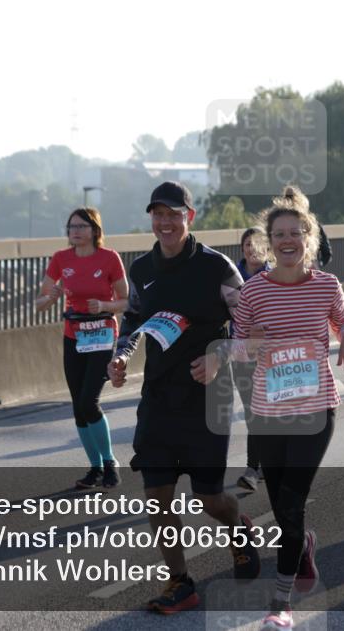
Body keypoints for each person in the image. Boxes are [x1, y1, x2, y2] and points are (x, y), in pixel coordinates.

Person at [107, 181, 260, 613]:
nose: (165, 222)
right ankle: (180, 582)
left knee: (209, 499)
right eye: (158, 214)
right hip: (158, 395)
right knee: (157, 494)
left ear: (189, 217)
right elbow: (134, 319)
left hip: (208, 397)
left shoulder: (217, 268)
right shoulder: (141, 270)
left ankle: (237, 527)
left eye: (174, 214)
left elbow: (254, 329)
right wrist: (120, 358)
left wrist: (219, 356)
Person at [232, 194, 344, 631]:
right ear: (269, 243)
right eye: (279, 235)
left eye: (296, 233)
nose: (288, 241)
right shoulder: (253, 291)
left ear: (310, 237)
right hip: (268, 412)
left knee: (291, 501)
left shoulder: (326, 286)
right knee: (284, 505)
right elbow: (236, 348)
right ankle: (302, 544)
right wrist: (250, 338)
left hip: (317, 408)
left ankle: (280, 602)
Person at [36, 207, 128, 489]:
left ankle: (110, 463)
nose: (74, 231)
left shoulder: (109, 258)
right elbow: (40, 303)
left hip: (102, 335)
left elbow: (126, 301)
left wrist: (104, 306)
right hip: (74, 336)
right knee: (78, 406)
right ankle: (95, 468)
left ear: (95, 230)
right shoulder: (60, 259)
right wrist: (50, 297)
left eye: (81, 226)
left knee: (89, 401)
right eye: (71, 227)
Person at [233, 227, 271, 492]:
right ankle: (255, 467)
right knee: (251, 411)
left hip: (269, 355)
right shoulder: (229, 276)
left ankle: (256, 467)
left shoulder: (275, 277)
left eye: (257, 244)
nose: (251, 248)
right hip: (240, 353)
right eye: (247, 244)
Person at [280, 186, 332, 269]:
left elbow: (326, 252)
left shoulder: (313, 226)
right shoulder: (313, 225)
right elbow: (327, 252)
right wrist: (318, 264)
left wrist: (318, 264)